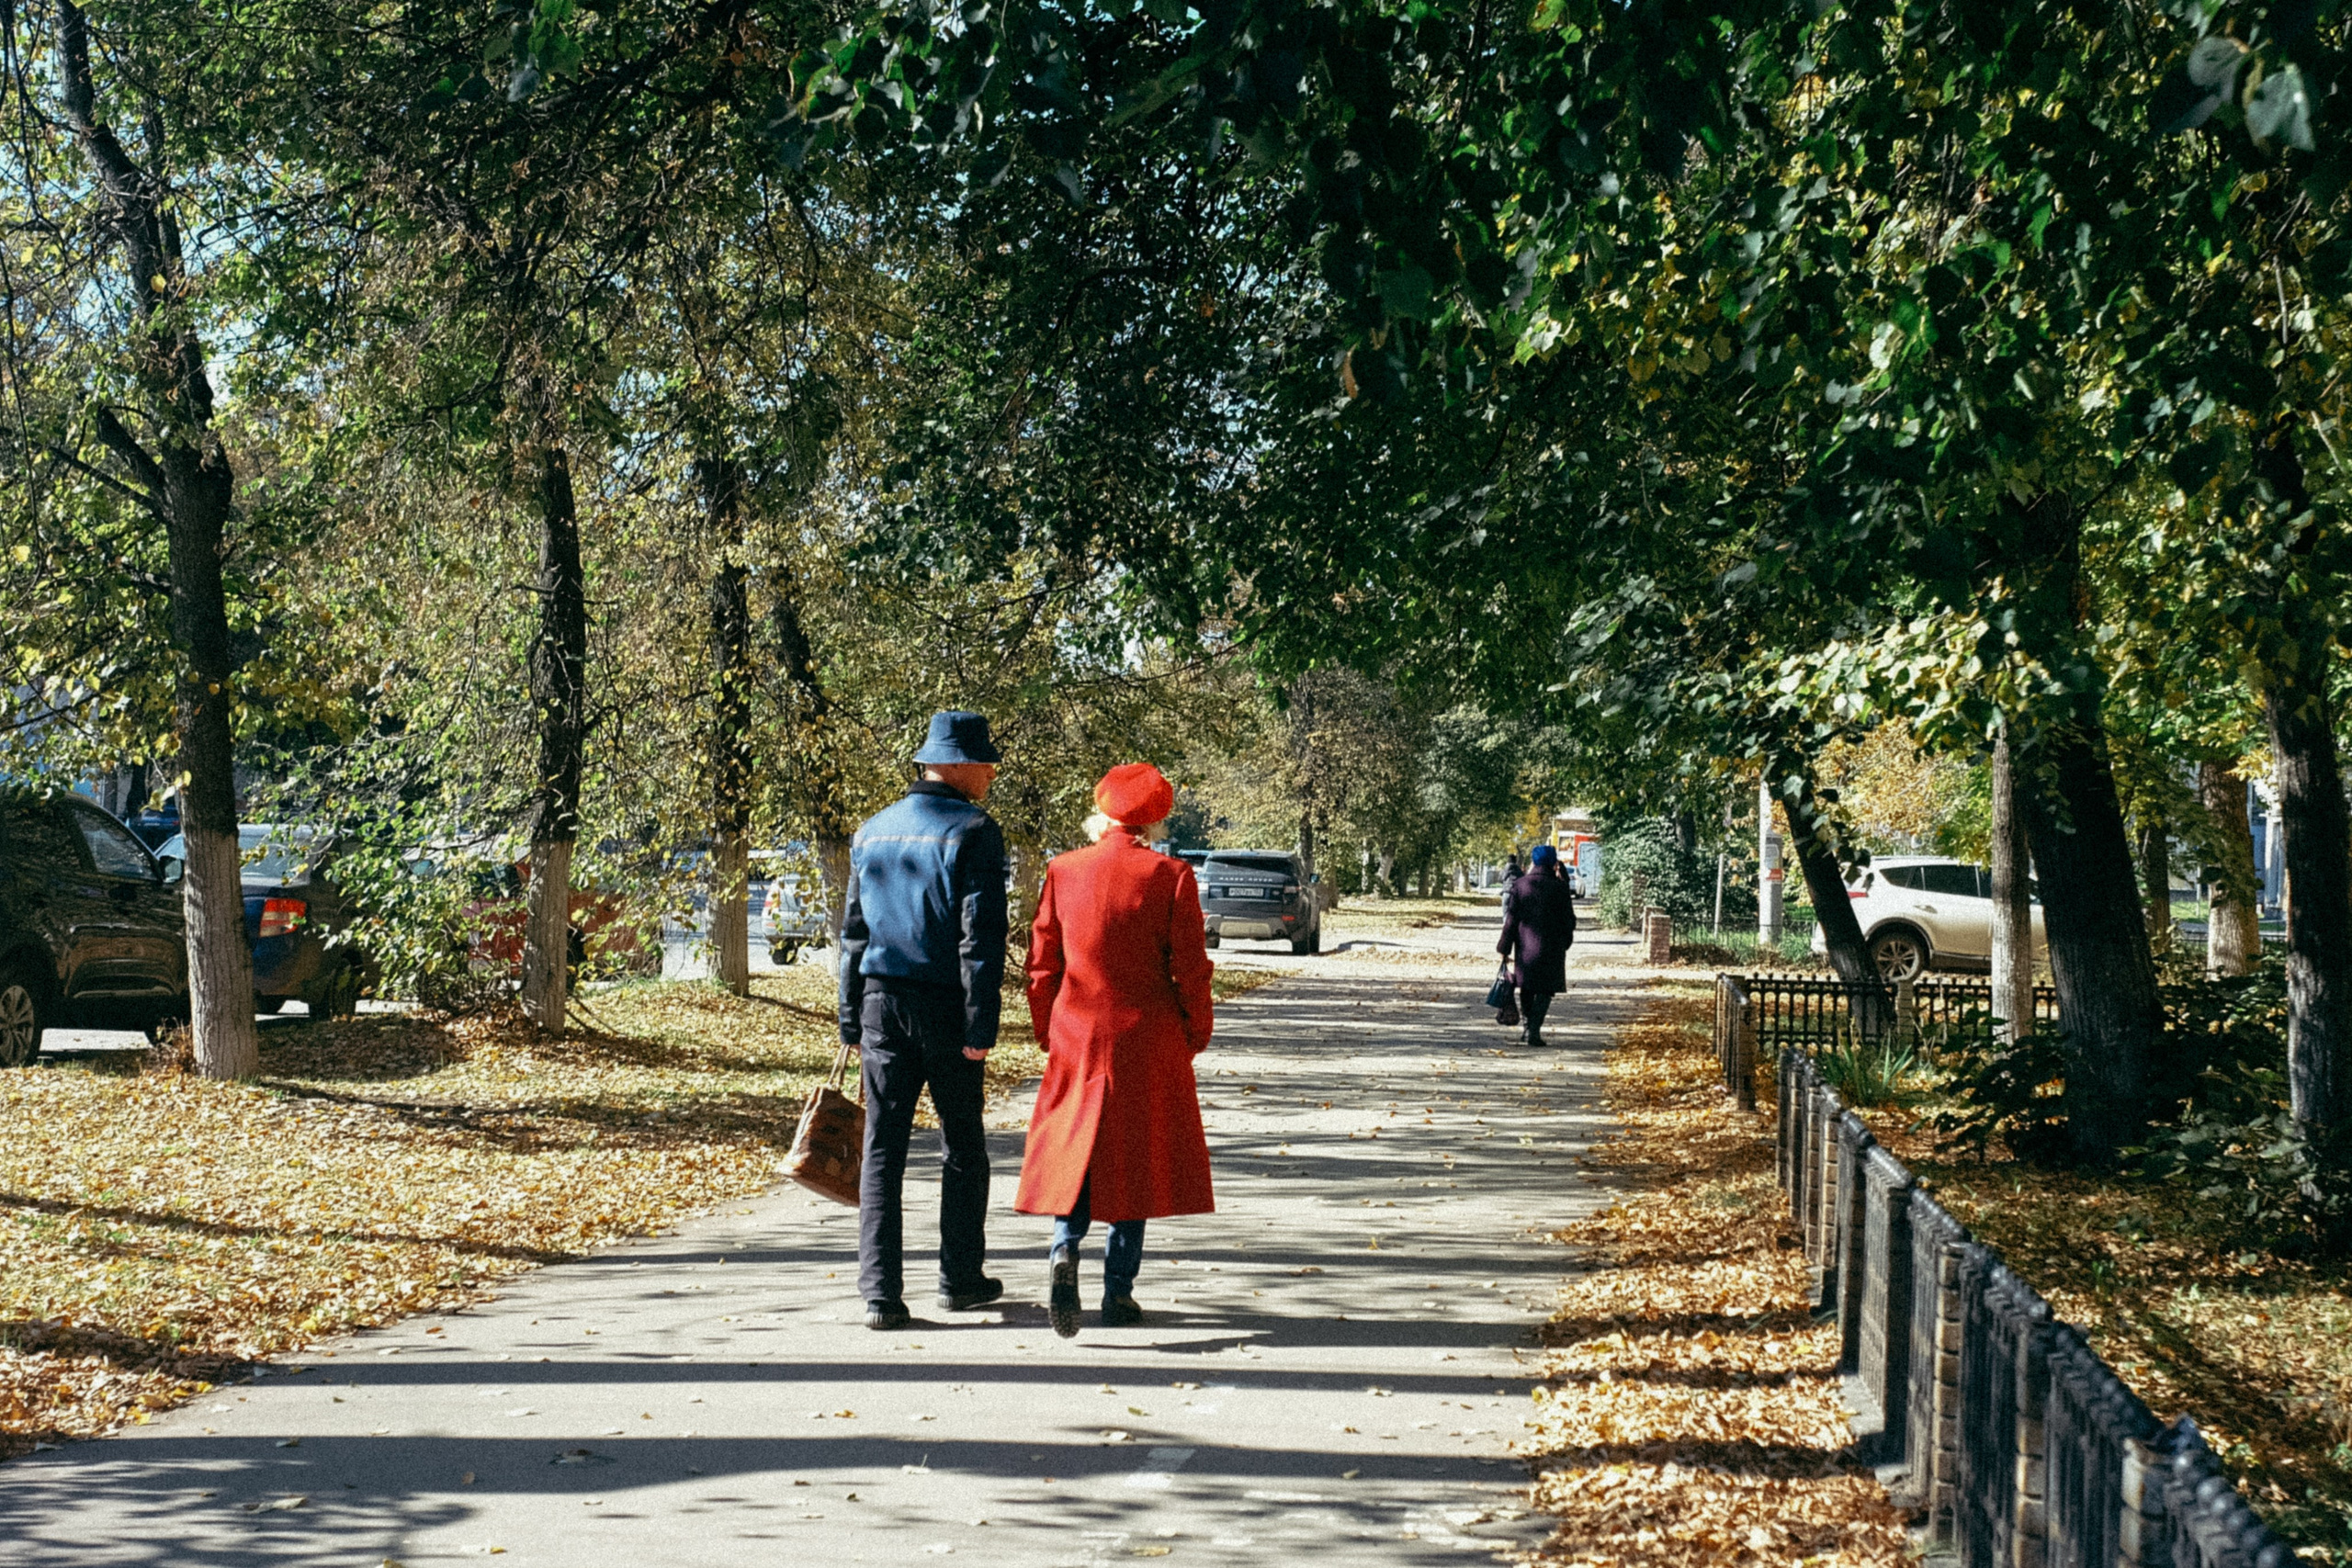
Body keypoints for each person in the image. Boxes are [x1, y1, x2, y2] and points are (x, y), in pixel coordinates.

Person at [1015, 762, 1216, 1338]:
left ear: (1099, 811)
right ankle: (1118, 1291)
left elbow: (1042, 963)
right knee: (1136, 1156)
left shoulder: (1063, 870)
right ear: (1155, 820)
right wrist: (1194, 1031)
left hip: (1077, 1030)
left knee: (1076, 1146)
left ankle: (1064, 1245)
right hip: (1146, 1035)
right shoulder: (1171, 875)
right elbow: (1191, 968)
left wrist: (1048, 1029)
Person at [837, 710, 1010, 1331]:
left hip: (881, 1001)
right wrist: (980, 1026)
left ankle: (880, 1293)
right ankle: (959, 1278)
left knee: (882, 1149)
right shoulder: (975, 831)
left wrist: (850, 1019)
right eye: (985, 761)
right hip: (946, 1006)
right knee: (962, 1145)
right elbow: (979, 939)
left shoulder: (872, 831)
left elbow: (854, 935)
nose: (991, 772)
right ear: (956, 764)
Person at [1498, 843, 1577, 1047]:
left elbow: (1511, 920)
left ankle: (1528, 1027)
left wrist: (1504, 948)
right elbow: (1569, 920)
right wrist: (1565, 942)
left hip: (1526, 948)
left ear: (1534, 861)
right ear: (1553, 862)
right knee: (1546, 989)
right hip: (1552, 948)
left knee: (1527, 987)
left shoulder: (1521, 885)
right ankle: (1534, 1029)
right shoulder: (1560, 887)